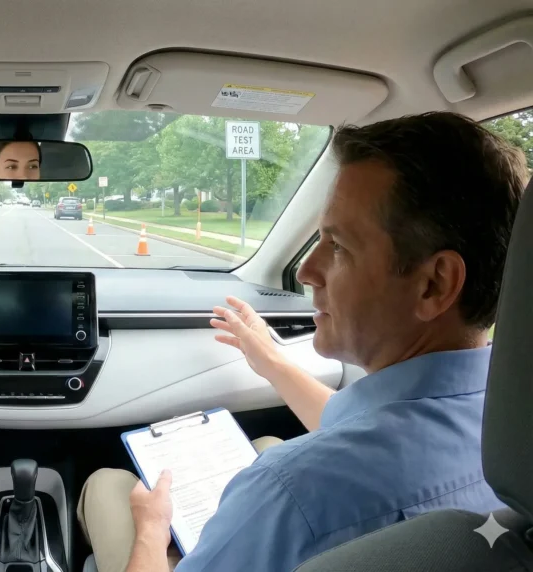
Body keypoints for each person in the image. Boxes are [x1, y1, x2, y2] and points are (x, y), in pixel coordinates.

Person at [76, 111, 527, 572]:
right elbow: (369, 426)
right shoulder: (512, 432)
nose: (308, 271)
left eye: (337, 247)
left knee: (110, 485)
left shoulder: (289, 495)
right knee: (268, 439)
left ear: (434, 284)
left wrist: (152, 534)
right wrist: (271, 361)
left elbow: (332, 468)